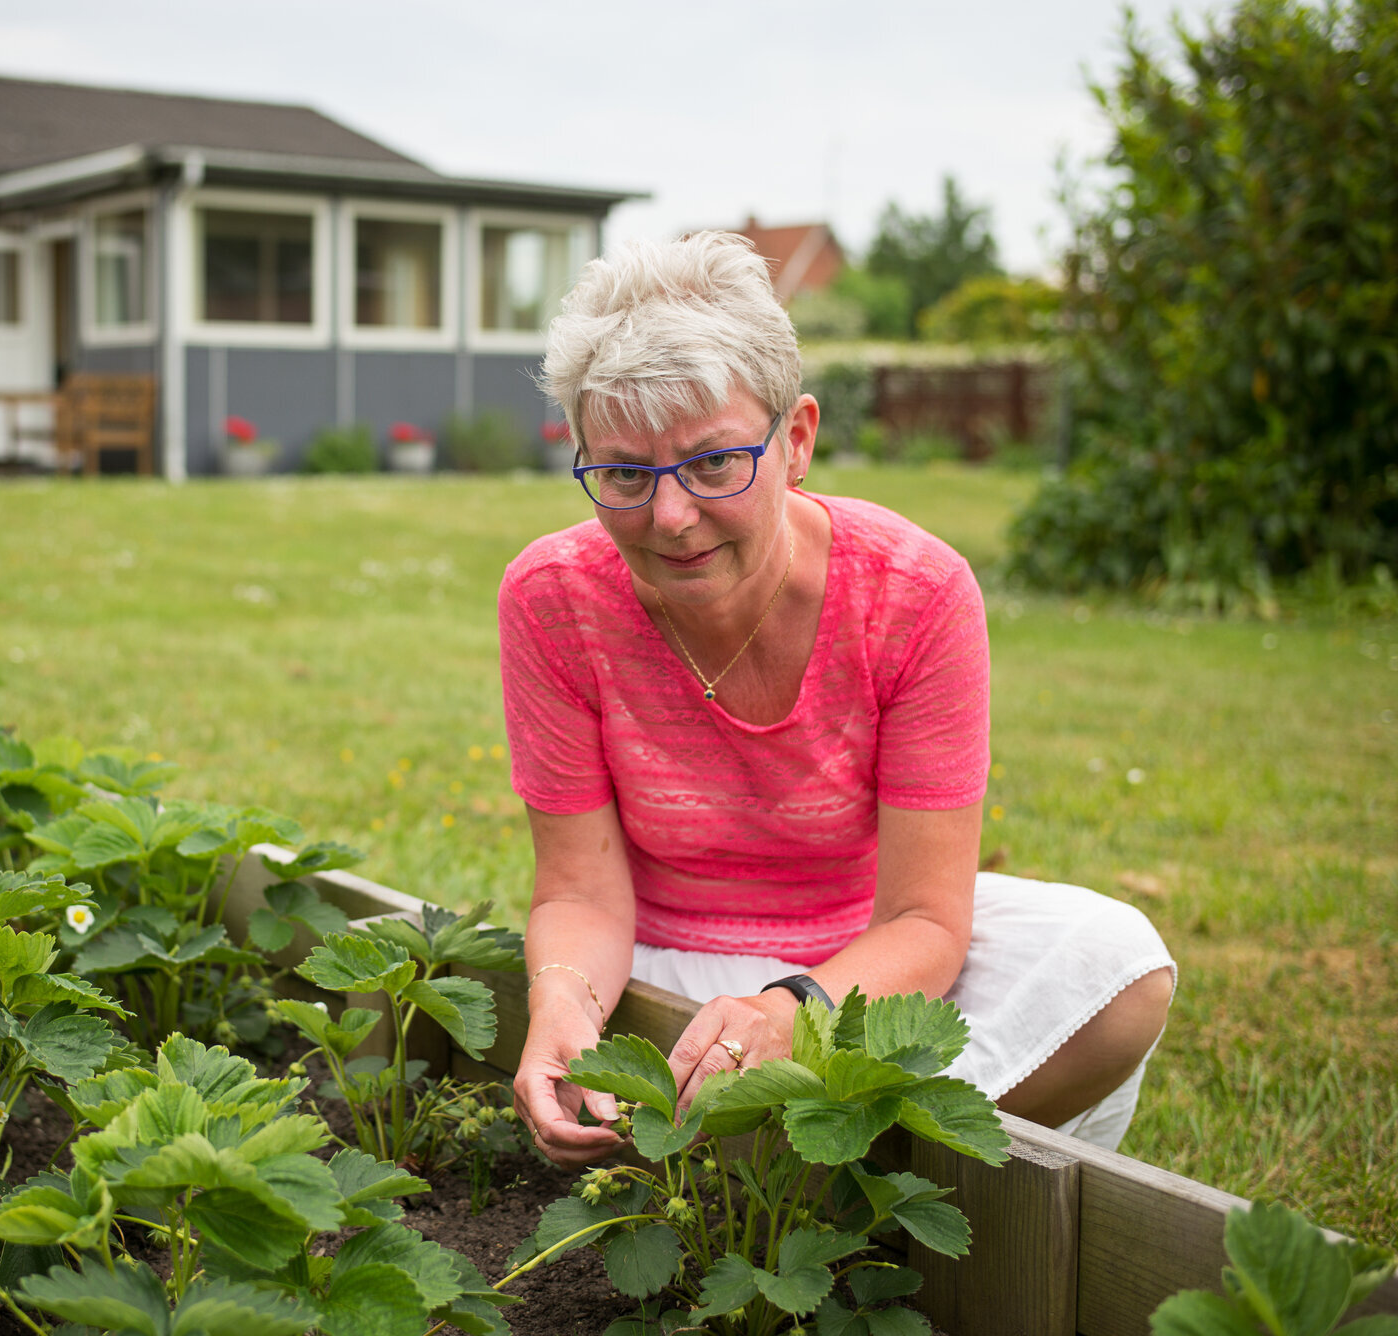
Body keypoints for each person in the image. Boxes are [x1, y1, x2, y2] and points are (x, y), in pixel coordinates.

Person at [503, 232, 1175, 1168]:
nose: (669, 518)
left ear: (799, 440)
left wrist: (795, 1009)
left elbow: (928, 922)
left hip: (860, 962)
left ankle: (794, 1165)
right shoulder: (552, 597)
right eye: (623, 474)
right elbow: (579, 891)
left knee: (1114, 963)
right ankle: (836, 1168)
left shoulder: (914, 592)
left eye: (711, 464)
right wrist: (564, 1007)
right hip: (658, 972)